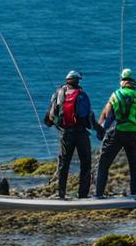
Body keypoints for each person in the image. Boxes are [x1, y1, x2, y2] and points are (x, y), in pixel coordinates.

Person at [43, 70, 105, 199]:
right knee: (85, 164)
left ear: (67, 81)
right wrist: (99, 130)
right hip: (81, 133)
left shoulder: (59, 94)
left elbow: (49, 116)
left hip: (65, 134)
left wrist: (52, 124)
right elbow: (89, 118)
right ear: (77, 81)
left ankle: (61, 194)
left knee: (64, 164)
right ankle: (83, 195)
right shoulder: (82, 95)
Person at [95, 68, 136, 197]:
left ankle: (99, 193)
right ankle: (135, 192)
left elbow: (108, 115)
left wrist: (102, 130)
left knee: (104, 163)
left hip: (118, 131)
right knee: (134, 164)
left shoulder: (116, 95)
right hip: (133, 132)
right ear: (133, 81)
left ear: (122, 81)